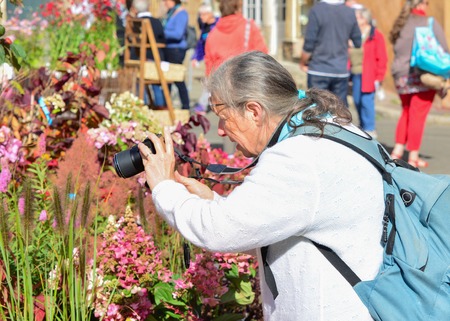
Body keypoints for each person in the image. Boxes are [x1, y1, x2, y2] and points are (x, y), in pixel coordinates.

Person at [137, 51, 384, 321]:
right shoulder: (331, 128)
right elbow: (275, 220)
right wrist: (213, 203)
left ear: (254, 111)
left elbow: (220, 230)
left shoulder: (297, 158)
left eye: (223, 115)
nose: (219, 130)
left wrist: (163, 187)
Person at [389, 0, 449, 168]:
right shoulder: (429, 23)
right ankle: (413, 157)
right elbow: (443, 49)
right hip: (422, 74)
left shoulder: (401, 23)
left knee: (407, 112)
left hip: (400, 75)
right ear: (422, 4)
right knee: (418, 116)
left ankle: (397, 151)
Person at [300, 0, 362, 106]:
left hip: (318, 69)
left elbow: (309, 43)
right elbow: (358, 42)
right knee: (339, 112)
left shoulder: (316, 10)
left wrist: (302, 62)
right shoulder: (350, 12)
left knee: (317, 110)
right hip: (340, 70)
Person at [349, 6, 387, 139]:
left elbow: (382, 57)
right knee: (357, 101)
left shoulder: (375, 35)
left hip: (369, 74)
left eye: (359, 17)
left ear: (365, 19)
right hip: (355, 73)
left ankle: (370, 129)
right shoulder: (354, 34)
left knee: (367, 102)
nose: (356, 19)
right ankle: (363, 126)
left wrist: (380, 76)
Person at [204, 0, 268, 76]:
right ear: (238, 8)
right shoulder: (249, 27)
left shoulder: (212, 34)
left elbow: (209, 68)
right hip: (245, 80)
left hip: (221, 82)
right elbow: (262, 55)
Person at [132, 0, 166, 108]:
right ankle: (160, 107)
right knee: (156, 83)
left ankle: (143, 105)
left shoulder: (134, 22)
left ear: (135, 8)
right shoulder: (156, 22)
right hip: (154, 58)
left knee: (140, 84)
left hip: (138, 58)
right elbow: (163, 39)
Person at [161, 0, 190, 110]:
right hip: (168, 49)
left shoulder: (182, 13)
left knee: (178, 79)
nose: (164, 2)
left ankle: (185, 106)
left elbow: (178, 34)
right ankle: (165, 106)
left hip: (176, 50)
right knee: (167, 80)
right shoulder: (170, 12)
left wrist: (161, 32)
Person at [190, 3, 219, 113]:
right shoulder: (204, 26)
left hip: (219, 59)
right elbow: (201, 45)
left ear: (210, 14)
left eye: (203, 15)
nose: (201, 18)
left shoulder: (219, 24)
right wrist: (196, 58)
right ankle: (205, 105)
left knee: (212, 82)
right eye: (200, 15)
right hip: (209, 61)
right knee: (210, 82)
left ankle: (203, 105)